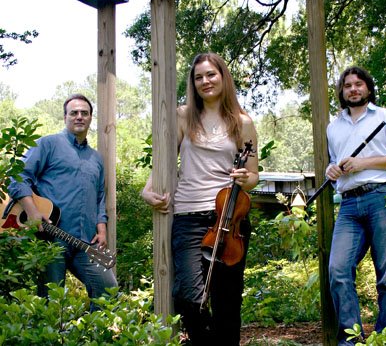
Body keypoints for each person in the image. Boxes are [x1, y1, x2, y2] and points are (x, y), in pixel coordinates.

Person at [142, 53, 259, 345]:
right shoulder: (183, 116)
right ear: (192, 83)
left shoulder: (243, 122)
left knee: (227, 302)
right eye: (198, 77)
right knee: (188, 297)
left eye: (211, 75)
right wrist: (147, 189)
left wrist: (246, 179)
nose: (205, 81)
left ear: (223, 77)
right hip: (189, 217)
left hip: (230, 218)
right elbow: (164, 161)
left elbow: (254, 174)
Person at [325, 66, 386, 345]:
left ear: (368, 88)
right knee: (338, 270)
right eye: (347, 85)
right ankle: (350, 340)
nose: (353, 88)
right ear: (341, 92)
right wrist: (332, 170)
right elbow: (336, 162)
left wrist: (364, 162)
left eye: (358, 84)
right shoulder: (333, 126)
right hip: (349, 205)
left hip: (382, 197)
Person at [8, 94, 117, 311]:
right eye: (74, 113)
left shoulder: (96, 158)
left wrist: (102, 228)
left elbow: (99, 196)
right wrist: (32, 211)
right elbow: (17, 177)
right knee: (50, 305)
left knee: (108, 290)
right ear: (65, 117)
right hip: (50, 240)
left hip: (85, 241)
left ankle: (92, 339)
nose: (79, 117)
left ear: (90, 118)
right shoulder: (48, 144)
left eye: (84, 113)